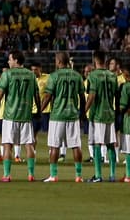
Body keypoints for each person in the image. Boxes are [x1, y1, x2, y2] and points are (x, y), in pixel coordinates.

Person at [0, 50, 38, 182]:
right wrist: (38, 111)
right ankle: (31, 174)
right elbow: (36, 95)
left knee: (7, 145)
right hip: (26, 115)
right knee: (29, 145)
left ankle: (7, 175)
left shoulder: (7, 74)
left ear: (16, 60)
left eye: (10, 59)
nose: (8, 61)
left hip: (10, 116)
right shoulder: (31, 74)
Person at [40, 52, 84, 183]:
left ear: (59, 61)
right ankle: (78, 176)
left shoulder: (54, 76)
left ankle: (53, 175)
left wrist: (40, 110)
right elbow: (82, 97)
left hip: (57, 115)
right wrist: (82, 113)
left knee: (54, 146)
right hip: (73, 115)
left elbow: (48, 96)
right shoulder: (77, 76)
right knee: (76, 146)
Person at [85, 51, 119, 182]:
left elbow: (92, 95)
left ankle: (98, 175)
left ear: (95, 60)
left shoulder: (93, 75)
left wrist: (84, 111)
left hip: (98, 115)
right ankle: (112, 175)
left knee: (97, 144)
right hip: (110, 114)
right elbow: (116, 95)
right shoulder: (113, 76)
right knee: (110, 144)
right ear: (105, 60)